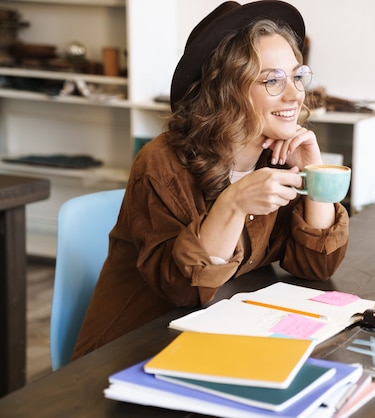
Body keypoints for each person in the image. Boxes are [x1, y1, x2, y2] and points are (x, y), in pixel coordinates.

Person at [72, 0, 349, 360]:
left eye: (297, 76)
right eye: (273, 80)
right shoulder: (161, 163)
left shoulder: (278, 158)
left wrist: (314, 172)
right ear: (226, 88)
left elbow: (317, 267)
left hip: (219, 337)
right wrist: (233, 203)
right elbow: (183, 291)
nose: (296, 95)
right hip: (131, 350)